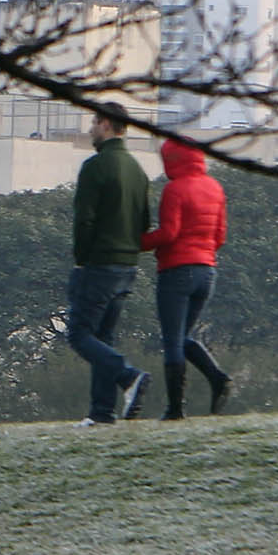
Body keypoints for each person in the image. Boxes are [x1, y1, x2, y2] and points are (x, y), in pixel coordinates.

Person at [63, 114, 155, 425]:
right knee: (104, 336)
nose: (90, 130)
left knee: (78, 334)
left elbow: (84, 219)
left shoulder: (95, 166)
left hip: (98, 263)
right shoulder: (137, 170)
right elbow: (144, 224)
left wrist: (81, 258)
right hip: (127, 265)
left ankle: (128, 376)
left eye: (93, 124)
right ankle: (102, 412)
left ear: (105, 125)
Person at [142, 136, 234, 417]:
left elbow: (169, 233)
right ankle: (217, 378)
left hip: (176, 271)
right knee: (182, 337)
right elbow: (220, 236)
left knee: (172, 340)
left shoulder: (175, 189)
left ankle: (175, 409)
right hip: (207, 273)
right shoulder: (215, 188)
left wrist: (140, 242)